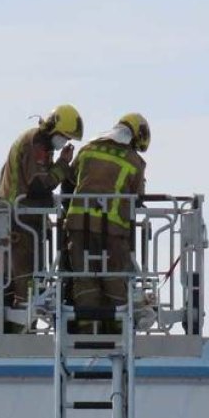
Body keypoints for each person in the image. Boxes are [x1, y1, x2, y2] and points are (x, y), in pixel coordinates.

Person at [0, 104, 83, 332]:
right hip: (20, 222)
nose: (64, 142)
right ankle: (20, 338)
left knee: (32, 284)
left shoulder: (40, 144)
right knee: (26, 287)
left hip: (25, 222)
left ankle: (26, 333)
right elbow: (40, 184)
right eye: (64, 137)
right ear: (54, 129)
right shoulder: (36, 143)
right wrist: (64, 165)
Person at [64, 113, 150, 334]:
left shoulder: (88, 149)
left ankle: (87, 328)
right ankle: (117, 329)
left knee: (83, 279)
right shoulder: (134, 161)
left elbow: (69, 181)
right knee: (114, 280)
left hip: (78, 226)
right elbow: (138, 198)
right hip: (112, 231)